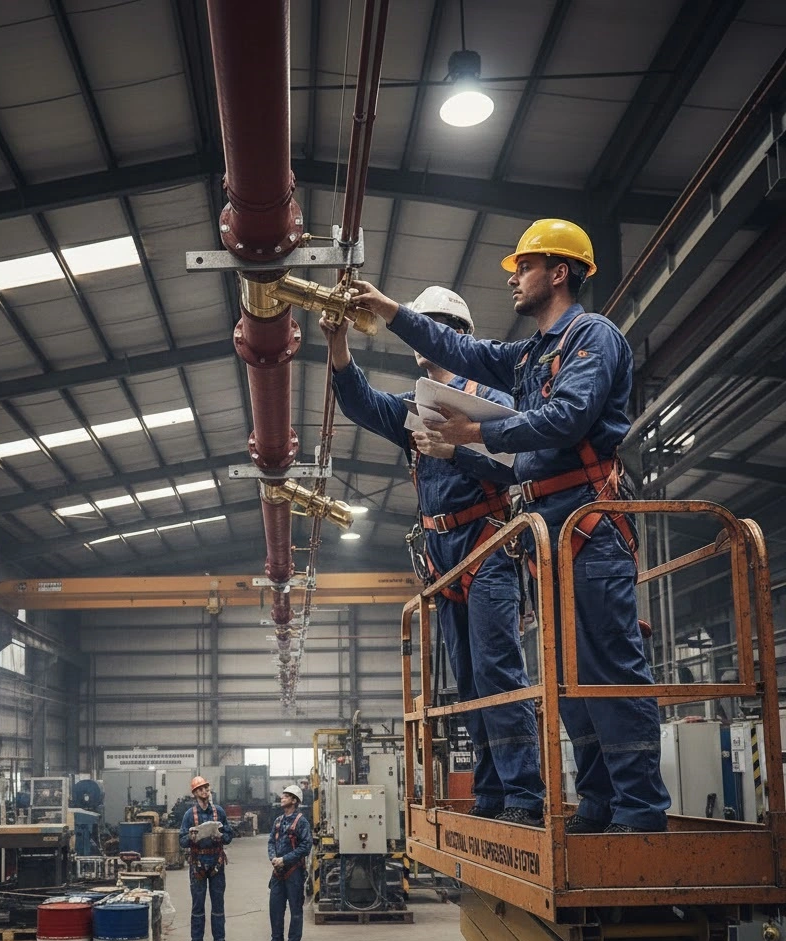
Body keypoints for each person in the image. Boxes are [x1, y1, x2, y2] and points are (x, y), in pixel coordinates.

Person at [349, 218, 671, 834]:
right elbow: (464, 352)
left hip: (589, 521)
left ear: (559, 272)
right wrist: (391, 312)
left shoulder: (592, 337)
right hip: (548, 528)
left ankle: (641, 809)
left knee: (611, 665)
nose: (514, 279)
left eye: (524, 267)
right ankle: (602, 801)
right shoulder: (531, 355)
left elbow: (568, 417)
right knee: (567, 674)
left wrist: (477, 433)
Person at [322, 286, 544, 825]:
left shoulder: (492, 402)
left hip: (487, 544)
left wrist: (458, 447)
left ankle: (524, 795)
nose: (430, 332)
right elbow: (360, 403)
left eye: (440, 322)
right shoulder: (413, 410)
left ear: (460, 335)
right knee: (467, 678)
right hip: (442, 558)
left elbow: (519, 465)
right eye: (425, 322)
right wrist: (338, 346)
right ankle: (491, 793)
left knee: (498, 670)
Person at [179, 776, 234, 941]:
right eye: (201, 789)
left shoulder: (219, 812)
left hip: (216, 863)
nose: (205, 791)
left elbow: (230, 835)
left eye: (207, 788)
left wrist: (221, 836)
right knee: (198, 907)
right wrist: (191, 838)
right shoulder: (189, 815)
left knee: (218, 906)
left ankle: (219, 939)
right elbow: (181, 840)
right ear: (195, 793)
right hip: (198, 864)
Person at [268, 784, 313, 941]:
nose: (282, 797)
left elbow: (306, 847)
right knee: (275, 910)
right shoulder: (278, 821)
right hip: (277, 872)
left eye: (286, 796)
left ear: (294, 801)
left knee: (296, 911)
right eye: (283, 795)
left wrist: (284, 859)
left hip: (294, 872)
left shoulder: (302, 822)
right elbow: (271, 842)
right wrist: (273, 858)